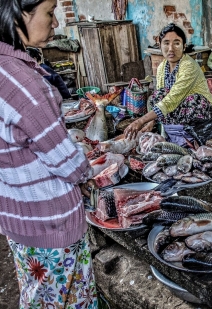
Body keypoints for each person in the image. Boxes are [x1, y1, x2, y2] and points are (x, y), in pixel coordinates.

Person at [0, 1, 98, 307]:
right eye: (49, 11)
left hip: (19, 219)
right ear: (19, 11)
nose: (54, 22)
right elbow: (69, 164)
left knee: (39, 297)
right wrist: (87, 167)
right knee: (70, 301)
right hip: (52, 225)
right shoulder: (24, 84)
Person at [123, 23, 212, 143]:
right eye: (166, 43)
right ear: (159, 45)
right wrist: (151, 123)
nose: (171, 49)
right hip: (179, 114)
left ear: (184, 46)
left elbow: (172, 99)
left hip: (204, 117)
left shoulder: (189, 66)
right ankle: (176, 137)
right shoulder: (161, 68)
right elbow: (161, 100)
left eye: (176, 43)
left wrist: (140, 121)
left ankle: (192, 140)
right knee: (157, 96)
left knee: (193, 100)